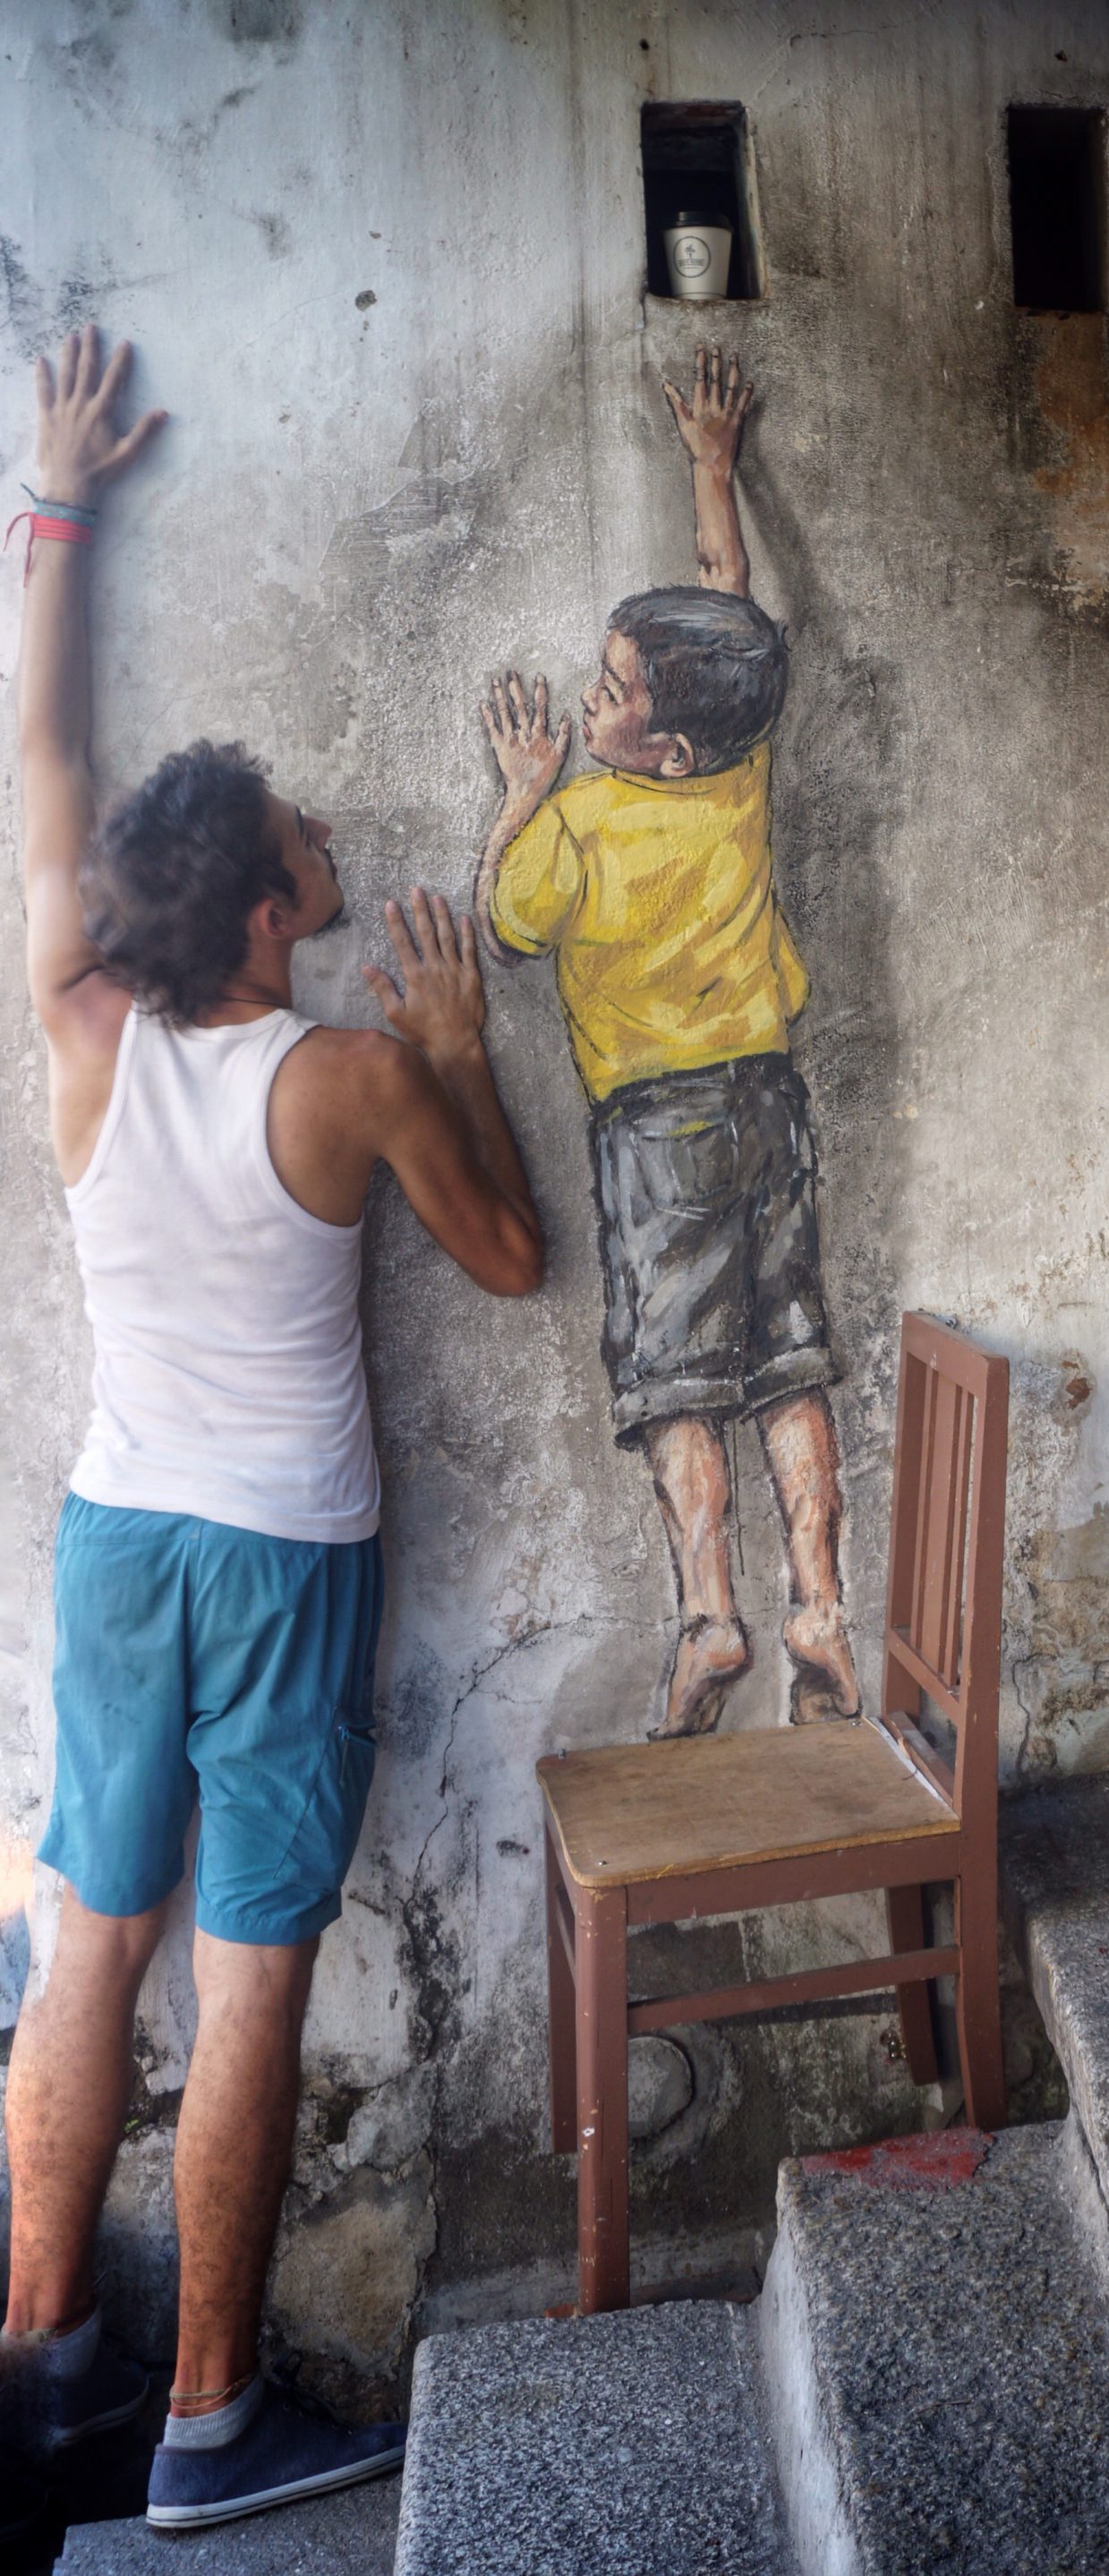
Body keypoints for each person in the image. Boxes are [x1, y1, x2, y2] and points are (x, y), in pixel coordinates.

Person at [4, 328, 542, 2532]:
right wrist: (464, 1042)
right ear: (262, 910)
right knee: (246, 1983)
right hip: (284, 1558)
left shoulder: (83, 1028)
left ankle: (42, 2359)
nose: (330, 837)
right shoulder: (351, 1077)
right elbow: (512, 1255)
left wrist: (61, 505)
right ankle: (212, 2418)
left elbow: (44, 752)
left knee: (86, 1938)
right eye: (304, 839)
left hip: (118, 1538)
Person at [473, 346, 858, 1738]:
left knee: (677, 1381)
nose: (590, 699)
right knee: (791, 1358)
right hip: (772, 1103)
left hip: (657, 1132)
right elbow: (731, 611)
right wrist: (712, 462)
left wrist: (521, 792)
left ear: (667, 747)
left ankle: (711, 1616)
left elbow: (504, 927)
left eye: (612, 689)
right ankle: (822, 1600)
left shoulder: (578, 823)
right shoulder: (739, 770)